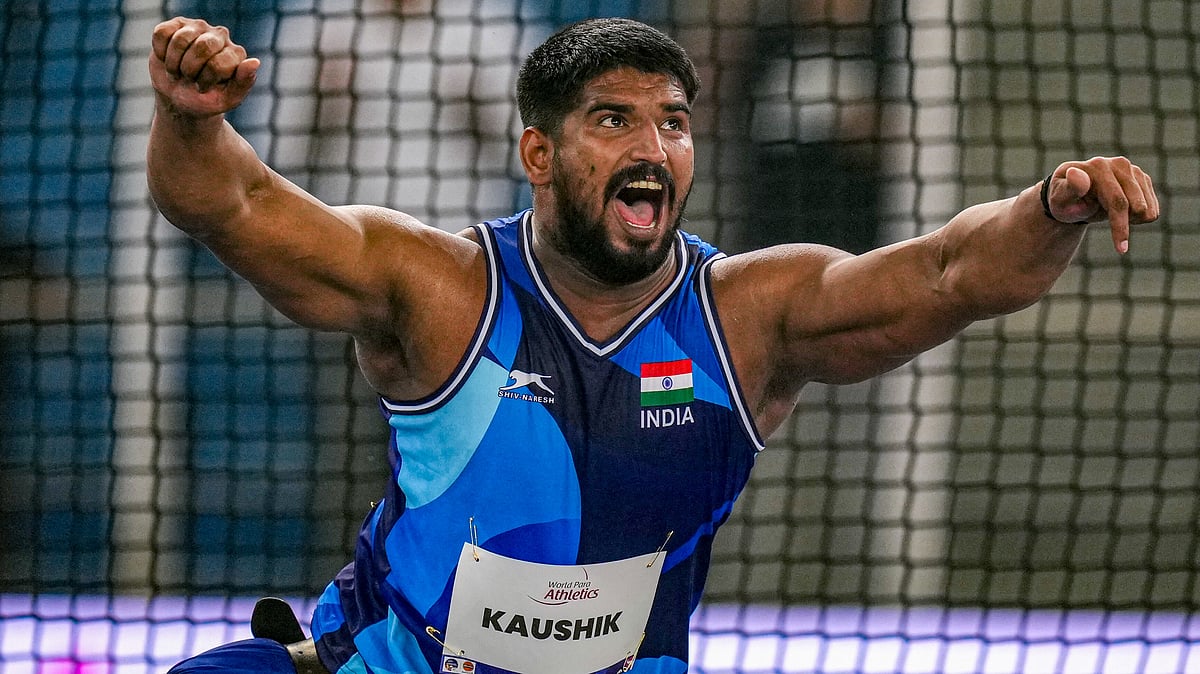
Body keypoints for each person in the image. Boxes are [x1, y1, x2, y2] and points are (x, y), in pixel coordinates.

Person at [147, 15, 1158, 674]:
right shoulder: (443, 288)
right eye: (615, 119)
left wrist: (1048, 208)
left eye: (673, 121)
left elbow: (949, 271)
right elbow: (234, 204)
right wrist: (191, 120)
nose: (652, 146)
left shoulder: (746, 315)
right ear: (539, 153)